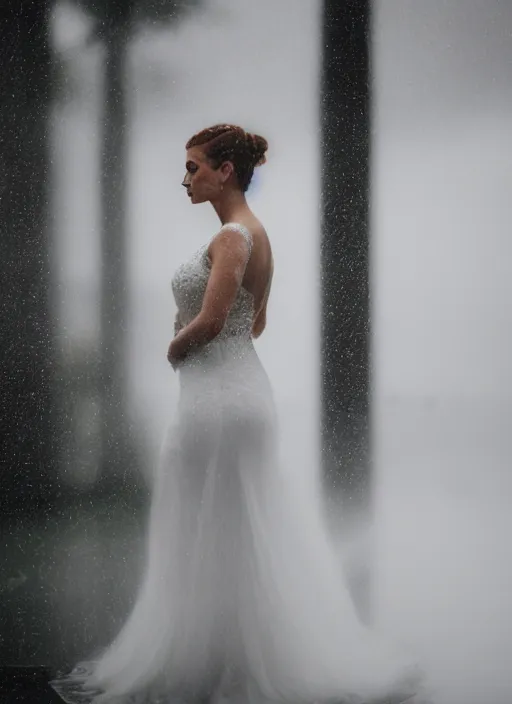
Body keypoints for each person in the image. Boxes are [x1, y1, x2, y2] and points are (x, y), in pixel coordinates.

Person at [51, 124, 423, 704]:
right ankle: (233, 656)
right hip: (239, 393)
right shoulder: (256, 235)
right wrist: (203, 344)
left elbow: (217, 322)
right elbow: (256, 324)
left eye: (194, 168)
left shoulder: (232, 236)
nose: (185, 179)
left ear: (226, 171)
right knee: (228, 532)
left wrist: (176, 345)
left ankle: (219, 666)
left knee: (210, 531)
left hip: (220, 403)